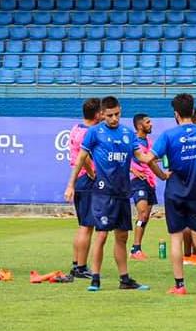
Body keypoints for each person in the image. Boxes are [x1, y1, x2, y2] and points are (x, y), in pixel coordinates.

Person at [64, 96, 162, 292]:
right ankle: (95, 279)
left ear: (120, 111)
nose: (114, 119)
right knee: (101, 235)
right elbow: (81, 158)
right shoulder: (94, 132)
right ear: (102, 113)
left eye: (117, 114)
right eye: (109, 115)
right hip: (102, 193)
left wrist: (162, 171)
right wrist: (70, 184)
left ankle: (124, 279)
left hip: (122, 193)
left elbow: (142, 157)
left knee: (122, 236)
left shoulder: (127, 133)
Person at [151, 93, 196, 296]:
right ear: (193, 111)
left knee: (176, 238)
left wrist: (162, 175)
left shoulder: (168, 135)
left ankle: (180, 285)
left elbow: (149, 159)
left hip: (175, 193)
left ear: (176, 114)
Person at [67, 98, 102, 278]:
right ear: (97, 114)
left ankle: (76, 263)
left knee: (82, 225)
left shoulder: (75, 128)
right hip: (86, 181)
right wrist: (93, 173)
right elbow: (85, 157)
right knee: (87, 226)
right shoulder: (89, 133)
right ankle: (81, 267)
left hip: (79, 180)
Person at [129, 113, 157, 260]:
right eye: (148, 122)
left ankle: (137, 247)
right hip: (137, 180)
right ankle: (135, 249)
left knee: (146, 217)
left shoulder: (149, 142)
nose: (151, 124)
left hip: (149, 181)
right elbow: (121, 157)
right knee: (143, 213)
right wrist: (133, 169)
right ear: (140, 126)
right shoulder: (131, 141)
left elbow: (152, 160)